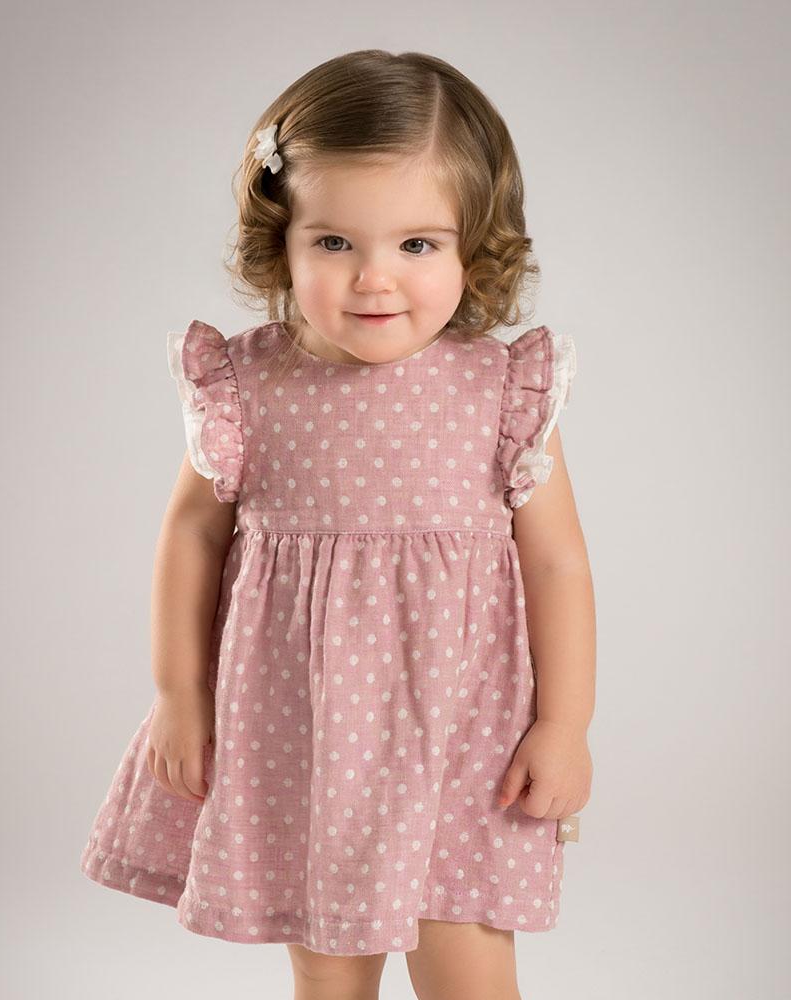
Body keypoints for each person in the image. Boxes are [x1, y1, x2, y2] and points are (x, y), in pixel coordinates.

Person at [80, 48, 595, 1000]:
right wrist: (179, 691)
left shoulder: (500, 392)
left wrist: (564, 724)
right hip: (306, 731)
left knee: (472, 970)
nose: (373, 280)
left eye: (417, 245)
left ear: (475, 248)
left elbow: (557, 563)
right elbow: (193, 535)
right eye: (333, 243)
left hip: (463, 738)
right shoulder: (247, 385)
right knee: (329, 973)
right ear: (280, 240)